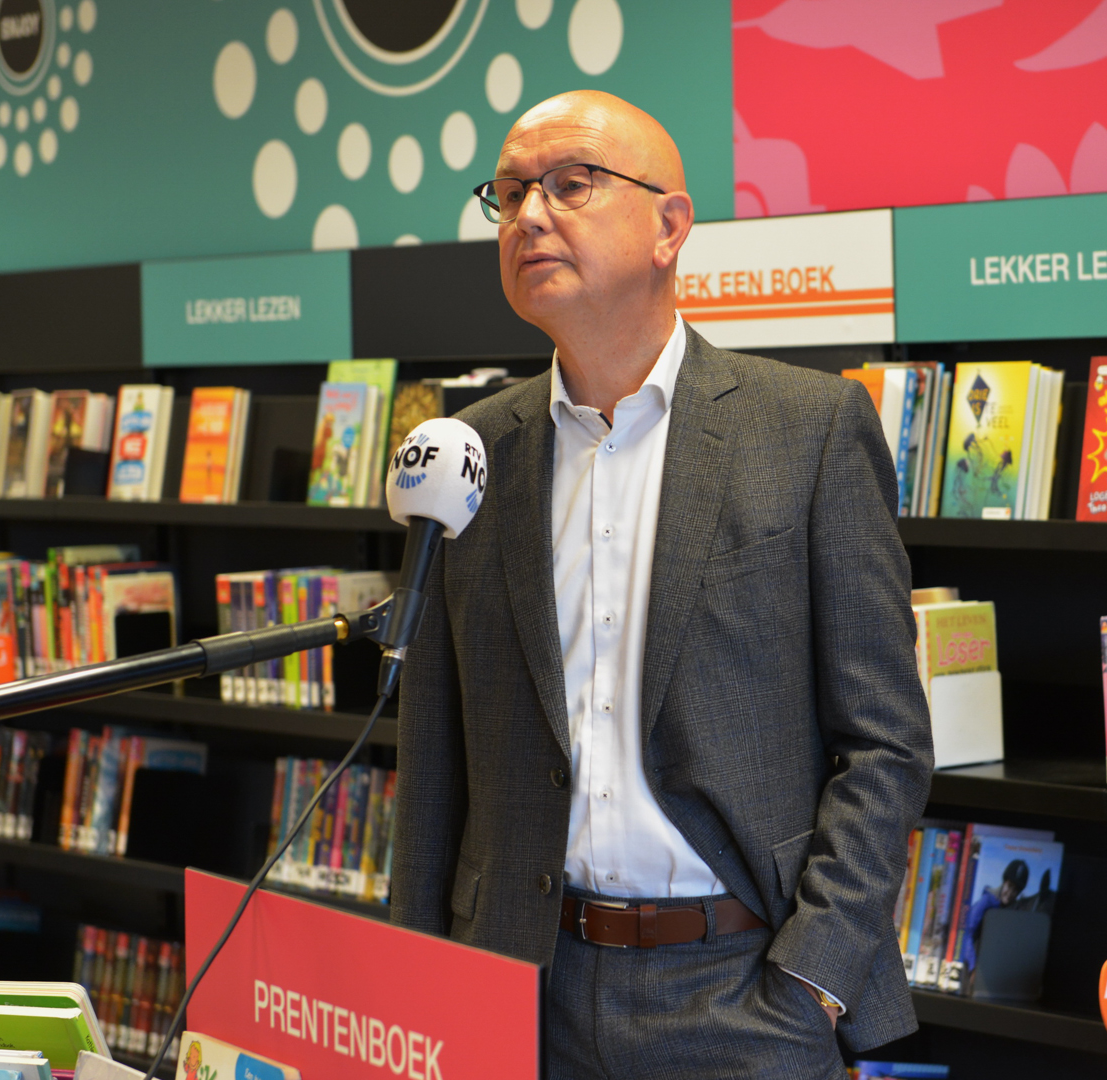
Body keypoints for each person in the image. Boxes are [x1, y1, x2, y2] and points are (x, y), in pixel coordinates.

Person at [388, 90, 934, 1080]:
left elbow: (885, 741)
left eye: (571, 184)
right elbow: (433, 754)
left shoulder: (807, 431)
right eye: (509, 193)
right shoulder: (470, 453)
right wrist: (421, 989)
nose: (529, 215)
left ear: (669, 227)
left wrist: (811, 980)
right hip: (521, 988)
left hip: (744, 990)